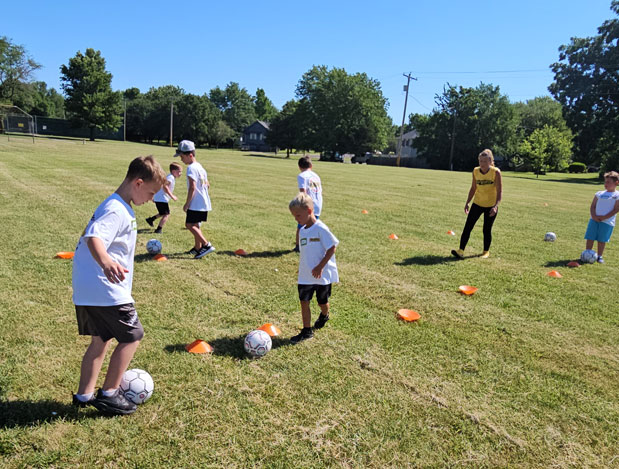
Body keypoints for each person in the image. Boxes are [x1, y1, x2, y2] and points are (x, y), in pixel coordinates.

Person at [72, 155, 166, 415]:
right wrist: (106, 263)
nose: (151, 199)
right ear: (137, 183)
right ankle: (110, 394)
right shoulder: (116, 209)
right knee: (133, 336)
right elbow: (94, 238)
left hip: (88, 290)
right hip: (106, 289)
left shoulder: (117, 204)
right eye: (150, 192)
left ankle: (84, 396)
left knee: (100, 341)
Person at [288, 192, 339, 344]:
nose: (296, 219)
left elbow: (332, 248)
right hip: (305, 275)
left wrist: (320, 266)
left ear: (309, 211)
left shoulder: (321, 228)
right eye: (294, 216)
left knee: (322, 302)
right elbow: (306, 252)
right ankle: (306, 330)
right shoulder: (302, 231)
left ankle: (325, 314)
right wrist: (303, 267)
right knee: (304, 301)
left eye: (298, 215)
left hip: (321, 275)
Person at [452, 149, 502, 259]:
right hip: (477, 204)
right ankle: (460, 251)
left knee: (486, 229)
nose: (482, 164)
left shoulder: (496, 172)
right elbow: (473, 188)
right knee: (468, 227)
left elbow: (499, 192)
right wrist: (467, 202)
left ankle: (485, 252)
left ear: (490, 161)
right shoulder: (475, 171)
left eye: (484, 161)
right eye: (480, 161)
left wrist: (495, 206)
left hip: (491, 206)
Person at [174, 140, 215, 259]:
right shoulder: (200, 167)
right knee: (196, 224)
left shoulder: (191, 168)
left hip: (196, 203)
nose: (181, 159)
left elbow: (192, 187)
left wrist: (187, 204)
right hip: (203, 202)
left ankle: (206, 245)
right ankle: (198, 248)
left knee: (189, 225)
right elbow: (207, 184)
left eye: (182, 156)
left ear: (190, 155)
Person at [583, 171, 619, 263]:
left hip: (607, 222)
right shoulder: (599, 193)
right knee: (590, 237)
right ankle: (587, 253)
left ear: (616, 183)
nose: (606, 184)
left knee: (601, 240)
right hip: (594, 220)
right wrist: (594, 216)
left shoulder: (617, 195)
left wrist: (604, 217)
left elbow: (616, 209)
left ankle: (599, 256)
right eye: (605, 182)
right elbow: (593, 206)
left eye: (608, 182)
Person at [294, 155, 323, 252]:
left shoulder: (302, 176)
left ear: (299, 167)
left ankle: (298, 246)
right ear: (311, 165)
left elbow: (303, 191)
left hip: (308, 204)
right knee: (313, 225)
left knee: (301, 226)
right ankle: (313, 244)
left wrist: (302, 204)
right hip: (318, 203)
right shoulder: (316, 176)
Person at [145, 162, 182, 233]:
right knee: (166, 214)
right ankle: (158, 229)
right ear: (174, 171)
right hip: (161, 198)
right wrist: (172, 196)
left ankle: (151, 219)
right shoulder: (170, 177)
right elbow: (165, 187)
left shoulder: (170, 177)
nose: (180, 173)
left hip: (160, 198)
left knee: (162, 212)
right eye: (179, 172)